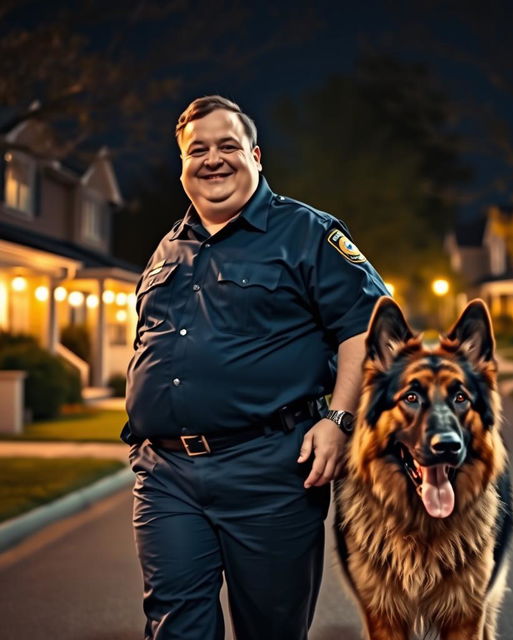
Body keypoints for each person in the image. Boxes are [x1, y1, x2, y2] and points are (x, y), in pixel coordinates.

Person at [122, 94, 388, 640]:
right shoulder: (168, 248)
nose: (212, 159)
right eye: (197, 150)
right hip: (166, 475)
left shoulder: (307, 233)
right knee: (174, 627)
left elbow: (368, 329)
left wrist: (339, 421)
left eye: (227, 146)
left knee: (270, 629)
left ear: (257, 156)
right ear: (183, 165)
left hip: (271, 470)